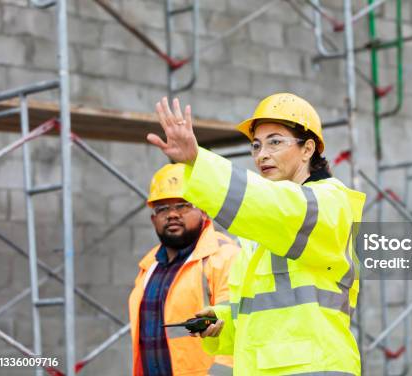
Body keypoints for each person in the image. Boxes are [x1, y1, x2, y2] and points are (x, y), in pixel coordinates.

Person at [147, 93, 366, 375]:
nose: (262, 154)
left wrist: (197, 160)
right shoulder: (260, 230)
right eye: (256, 145)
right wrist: (222, 321)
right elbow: (260, 316)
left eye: (275, 142)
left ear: (308, 149)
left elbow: (275, 205)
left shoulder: (329, 203)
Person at [128, 163, 239, 376]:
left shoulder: (224, 257)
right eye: (162, 208)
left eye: (183, 205)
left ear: (204, 211)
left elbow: (234, 330)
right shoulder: (149, 266)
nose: (172, 214)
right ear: (153, 219)